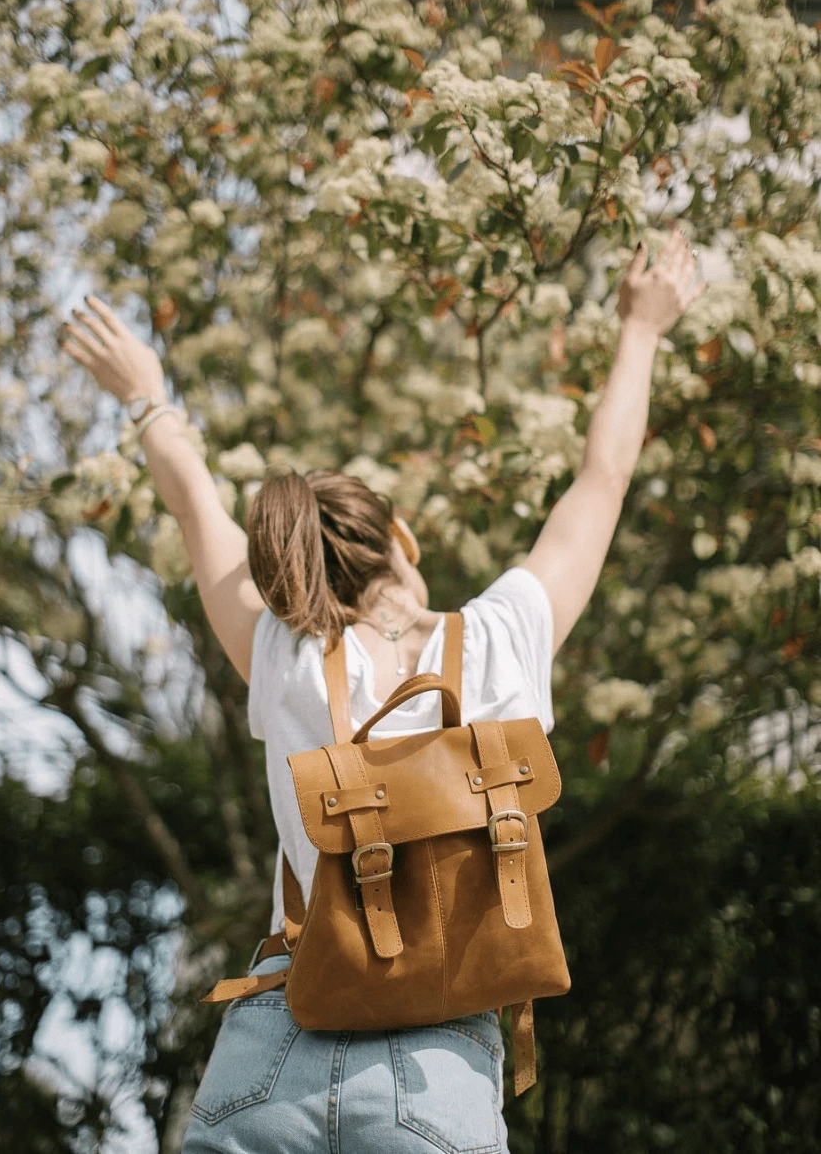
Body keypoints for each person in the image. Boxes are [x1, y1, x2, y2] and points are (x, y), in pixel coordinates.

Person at [61, 229, 705, 1153]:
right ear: (400, 538)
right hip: (436, 1069)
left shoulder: (285, 654)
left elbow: (194, 498)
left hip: (274, 1042)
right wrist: (641, 327)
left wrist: (145, 393)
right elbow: (603, 479)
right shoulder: (503, 636)